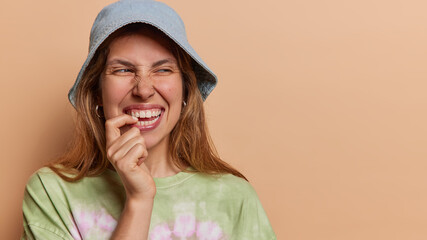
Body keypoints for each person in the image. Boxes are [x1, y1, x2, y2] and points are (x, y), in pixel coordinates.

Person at [21, 0, 276, 239]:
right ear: (97, 92)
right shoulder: (51, 193)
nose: (143, 90)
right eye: (123, 69)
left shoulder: (234, 197)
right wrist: (139, 200)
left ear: (186, 89)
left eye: (162, 69)